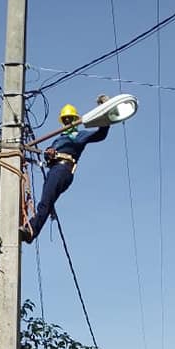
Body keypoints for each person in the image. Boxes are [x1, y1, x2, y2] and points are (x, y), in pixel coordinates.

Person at [21, 96, 110, 243]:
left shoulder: (79, 135)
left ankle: (31, 230)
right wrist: (50, 153)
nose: (68, 121)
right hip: (55, 170)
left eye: (70, 119)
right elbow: (49, 157)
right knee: (45, 203)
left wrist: (105, 112)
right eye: (66, 119)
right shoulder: (59, 139)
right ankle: (30, 230)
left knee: (45, 203)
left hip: (63, 170)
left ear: (75, 120)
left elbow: (100, 134)